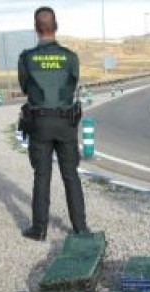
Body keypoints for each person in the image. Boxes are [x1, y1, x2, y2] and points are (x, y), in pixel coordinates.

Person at [18, 6, 89, 241]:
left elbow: (25, 87)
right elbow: (73, 82)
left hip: (39, 124)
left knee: (42, 175)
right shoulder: (70, 57)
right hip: (66, 123)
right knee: (71, 175)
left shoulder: (27, 58)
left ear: (36, 28)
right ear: (56, 26)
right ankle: (80, 228)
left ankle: (39, 229)